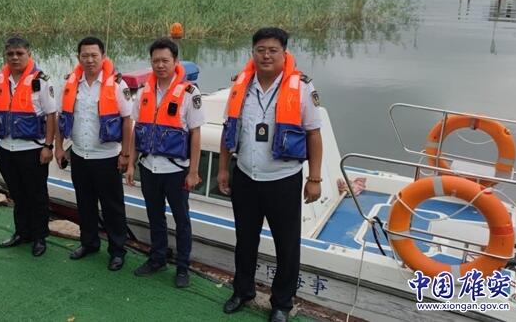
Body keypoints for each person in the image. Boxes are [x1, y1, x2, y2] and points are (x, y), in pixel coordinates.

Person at [217, 27, 323, 322]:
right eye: (260, 50)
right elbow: (228, 129)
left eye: (273, 50)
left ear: (284, 53)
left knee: (286, 245)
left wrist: (314, 178)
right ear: (252, 52)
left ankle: (282, 303)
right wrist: (223, 169)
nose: (266, 55)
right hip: (246, 176)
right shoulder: (239, 85)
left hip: (283, 179)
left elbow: (314, 134)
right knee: (245, 239)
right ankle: (242, 291)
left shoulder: (302, 88)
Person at [125, 37, 204, 288]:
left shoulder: (190, 94)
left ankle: (182, 267)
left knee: (182, 220)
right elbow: (137, 131)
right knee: (155, 216)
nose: (160, 65)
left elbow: (196, 134)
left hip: (176, 170)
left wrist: (193, 171)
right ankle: (157, 258)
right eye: (155, 60)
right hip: (149, 167)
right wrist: (131, 164)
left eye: (165, 60)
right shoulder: (143, 93)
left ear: (175, 61)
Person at [54, 36, 132, 271]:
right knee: (84, 203)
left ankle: (117, 250)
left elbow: (127, 121)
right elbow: (61, 117)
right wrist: (59, 147)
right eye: (85, 55)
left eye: (94, 55)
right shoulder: (70, 83)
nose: (89, 60)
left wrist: (125, 154)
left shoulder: (117, 84)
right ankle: (89, 243)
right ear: (78, 57)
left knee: (112, 207)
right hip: (79, 154)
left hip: (106, 156)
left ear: (103, 56)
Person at [0, 36, 57, 257]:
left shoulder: (40, 81)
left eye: (19, 53)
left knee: (37, 195)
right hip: (7, 148)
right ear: (5, 55)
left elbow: (51, 115)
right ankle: (22, 232)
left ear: (29, 54)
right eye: (10, 54)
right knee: (16, 193)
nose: (15, 58)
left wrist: (48, 146)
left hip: (33, 149)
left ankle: (39, 237)